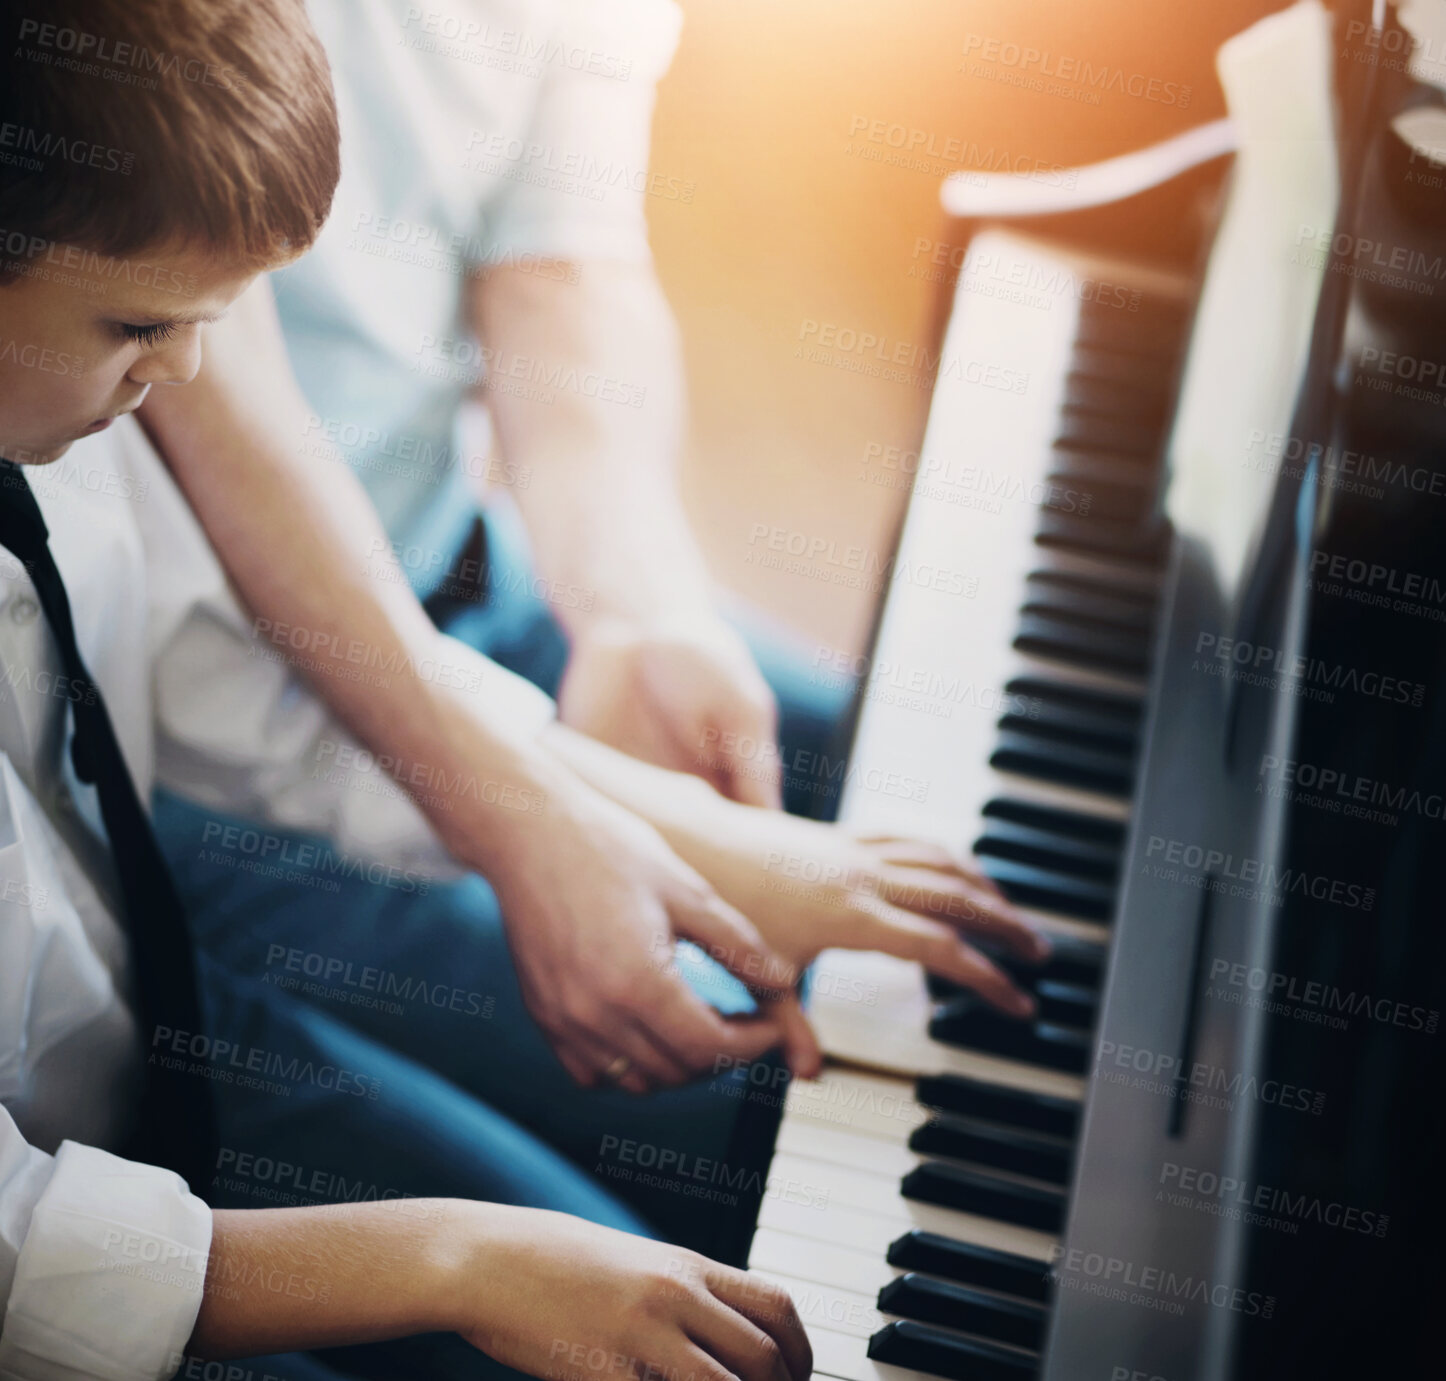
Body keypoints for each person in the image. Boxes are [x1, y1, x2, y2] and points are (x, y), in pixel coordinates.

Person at [134, 0, 1050, 1239]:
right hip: (206, 740)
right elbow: (219, 403)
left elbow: (567, 256)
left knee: (942, 792)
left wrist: (634, 606)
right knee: (781, 1094)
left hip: (454, 570)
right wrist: (536, 817)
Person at [0, 2, 817, 1376]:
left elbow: (229, 700)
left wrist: (622, 830)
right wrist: (457, 1257)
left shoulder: (70, 417)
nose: (190, 374)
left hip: (151, 1020)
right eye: (145, 320)